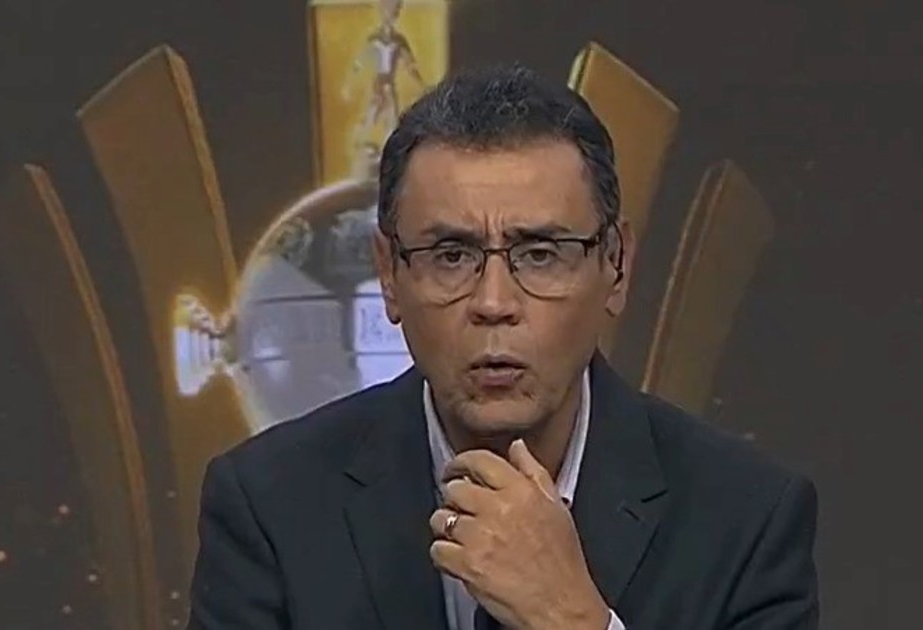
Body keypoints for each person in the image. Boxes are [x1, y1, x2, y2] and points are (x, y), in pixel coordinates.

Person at [188, 63, 819, 629]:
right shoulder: (269, 508)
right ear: (389, 276)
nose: (493, 302)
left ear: (617, 266)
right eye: (451, 255)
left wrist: (572, 621)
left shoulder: (746, 519)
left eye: (540, 254)